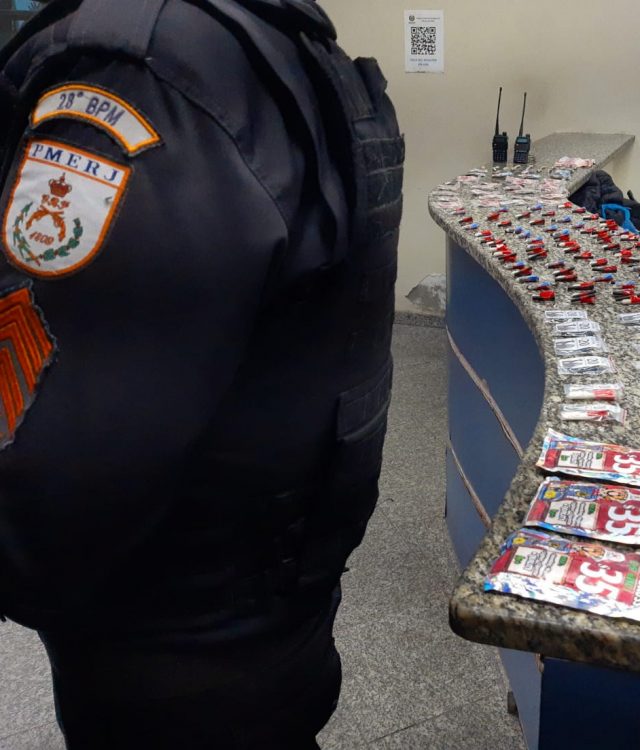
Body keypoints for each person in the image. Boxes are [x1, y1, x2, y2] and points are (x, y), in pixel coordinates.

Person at [0, 0, 403, 747]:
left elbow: (67, 451)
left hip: (167, 631)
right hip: (266, 590)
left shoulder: (143, 70)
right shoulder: (276, 41)